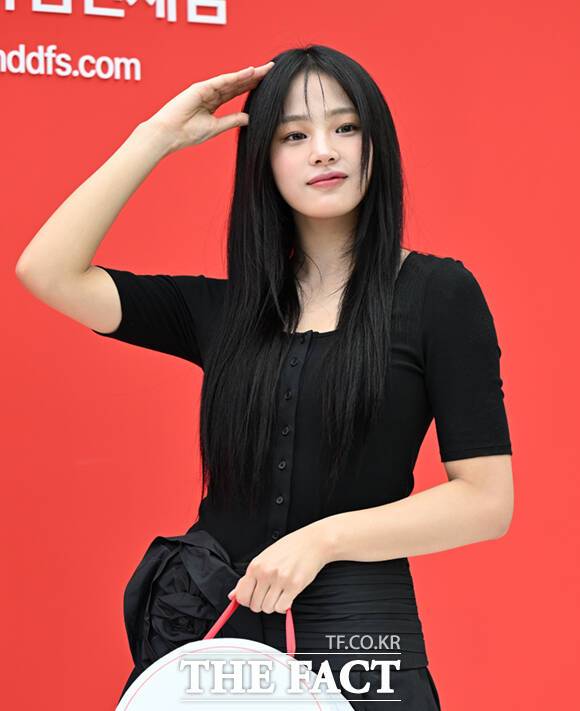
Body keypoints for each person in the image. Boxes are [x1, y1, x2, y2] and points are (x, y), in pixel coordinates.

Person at [16, 45, 514, 710]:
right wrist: (156, 136)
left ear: (377, 143)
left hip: (359, 640)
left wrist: (322, 539)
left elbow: (486, 501)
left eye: (345, 127)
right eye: (293, 135)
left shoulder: (439, 294)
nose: (323, 151)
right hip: (213, 630)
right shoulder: (226, 309)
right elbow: (47, 271)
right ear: (263, 159)